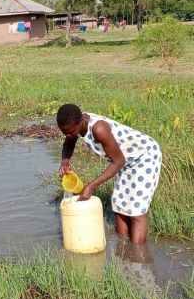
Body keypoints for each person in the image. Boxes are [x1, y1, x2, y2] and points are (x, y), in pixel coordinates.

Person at [57, 103, 162, 244]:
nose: (68, 136)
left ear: (81, 120)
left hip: (144, 156)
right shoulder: (75, 125)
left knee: (136, 210)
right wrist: (65, 162)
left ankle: (138, 257)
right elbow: (69, 144)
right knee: (119, 205)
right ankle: (124, 248)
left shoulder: (99, 129)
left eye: (70, 132)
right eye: (65, 133)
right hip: (125, 159)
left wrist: (91, 186)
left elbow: (118, 161)